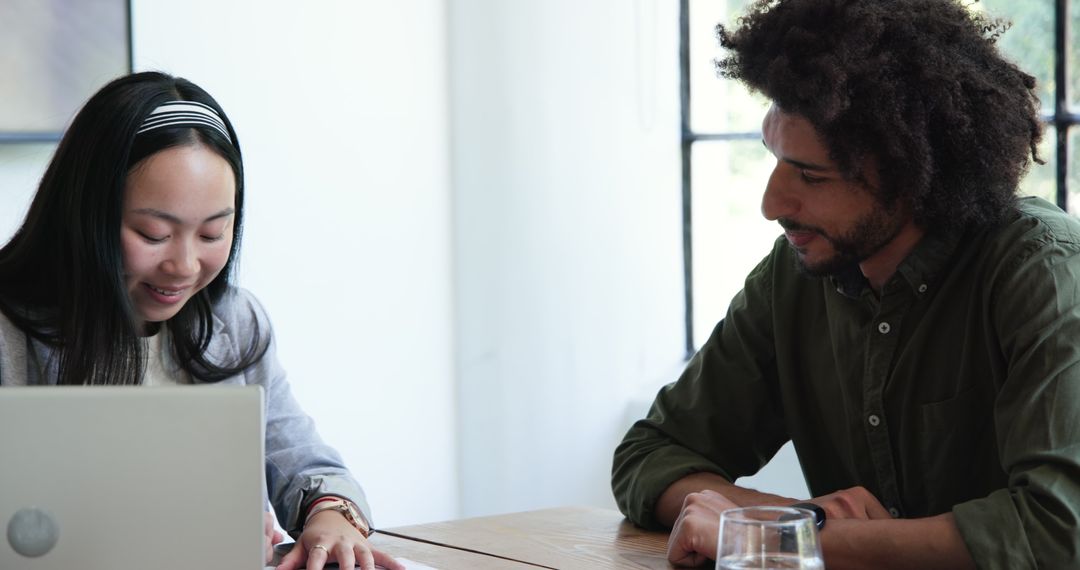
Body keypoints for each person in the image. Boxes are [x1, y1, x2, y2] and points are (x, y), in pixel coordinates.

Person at [612, 1, 1079, 568]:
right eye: (777, 160)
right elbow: (651, 453)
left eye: (811, 175)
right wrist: (797, 520)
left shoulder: (1044, 271)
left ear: (910, 175)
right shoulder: (795, 276)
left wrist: (780, 539)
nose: (771, 204)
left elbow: (1058, 532)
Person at [0, 71, 404, 570]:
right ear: (84, 214)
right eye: (152, 233)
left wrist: (331, 513)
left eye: (213, 233)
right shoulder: (8, 330)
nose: (185, 266)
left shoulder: (234, 322)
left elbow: (305, 460)